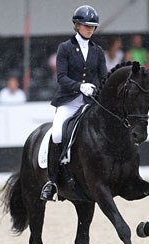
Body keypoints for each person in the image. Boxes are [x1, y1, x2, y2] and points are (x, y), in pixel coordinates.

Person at [40, 5, 107, 201]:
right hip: (69, 101)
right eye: (86, 26)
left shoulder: (98, 51)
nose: (90, 29)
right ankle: (52, 181)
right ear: (77, 25)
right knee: (58, 132)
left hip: (90, 102)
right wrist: (80, 86)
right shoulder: (65, 48)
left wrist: (97, 88)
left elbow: (104, 78)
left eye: (93, 26)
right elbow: (61, 77)